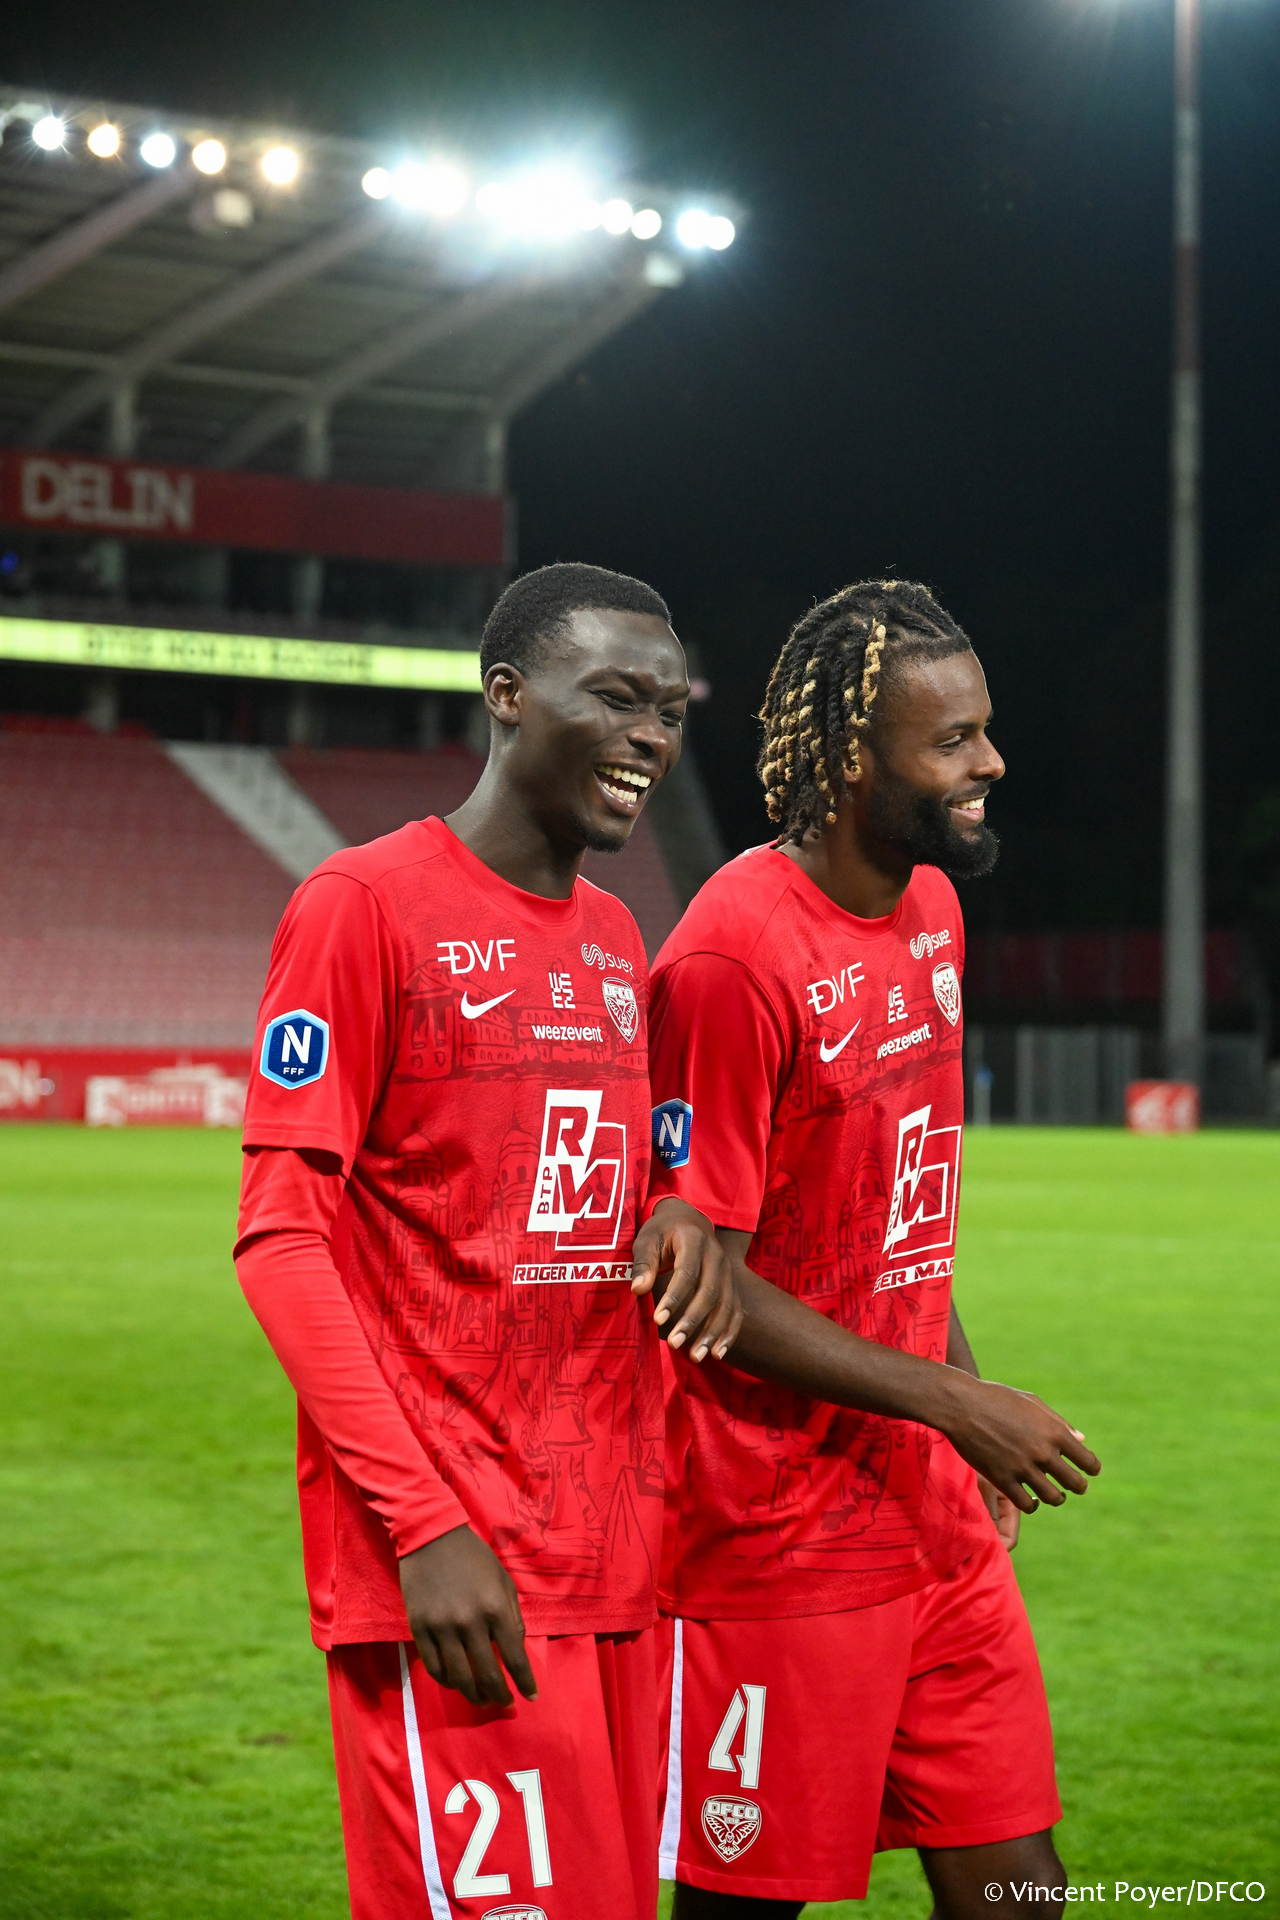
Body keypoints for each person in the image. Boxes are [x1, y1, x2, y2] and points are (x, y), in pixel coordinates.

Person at [233, 562, 741, 1920]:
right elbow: (280, 1241)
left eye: (670, 710)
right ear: (507, 695)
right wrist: (424, 1528)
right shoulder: (362, 905)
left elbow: (602, 1199)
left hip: (615, 1565)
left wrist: (676, 1209)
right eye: (616, 697)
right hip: (460, 1576)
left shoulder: (617, 937)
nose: (650, 735)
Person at [646, 579, 1101, 1919]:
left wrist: (959, 1407)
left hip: (929, 1513)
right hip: (775, 1533)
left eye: (984, 729)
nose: (990, 762)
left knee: (1019, 1884)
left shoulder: (933, 912)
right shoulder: (732, 958)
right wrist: (957, 1404)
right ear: (853, 758)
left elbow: (899, 1215)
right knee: (748, 1902)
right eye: (952, 740)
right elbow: (702, 1292)